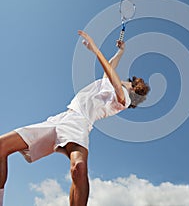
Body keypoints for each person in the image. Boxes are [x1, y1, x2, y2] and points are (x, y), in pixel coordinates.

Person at [0, 30, 150, 206]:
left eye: (129, 81)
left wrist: (95, 50)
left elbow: (112, 75)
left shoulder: (122, 99)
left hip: (79, 124)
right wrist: (121, 52)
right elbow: (111, 67)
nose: (125, 79)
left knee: (78, 169)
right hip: (61, 118)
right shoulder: (107, 86)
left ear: (132, 88)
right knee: (2, 146)